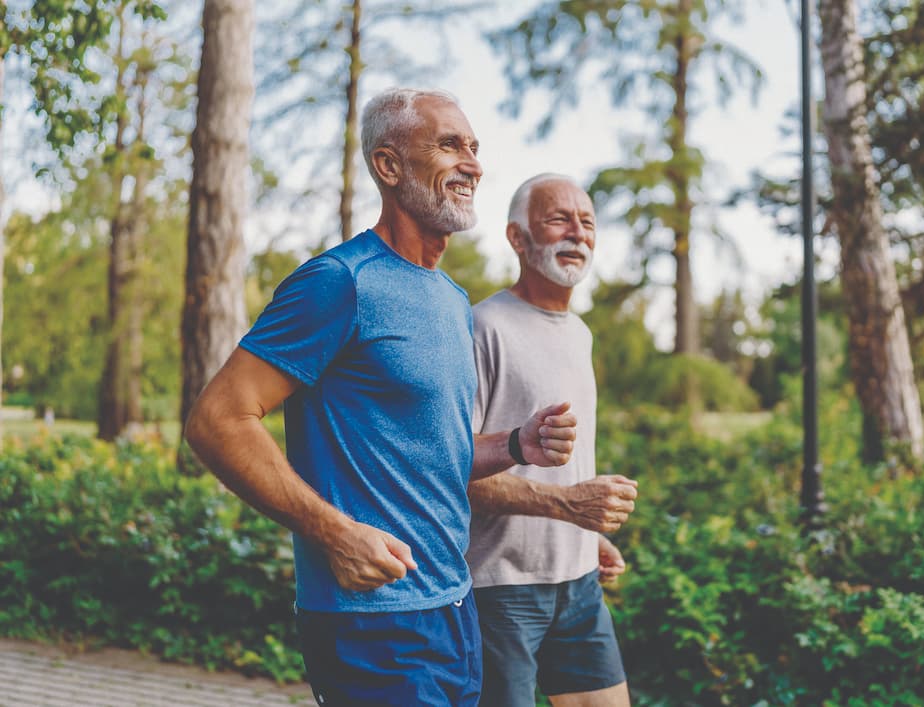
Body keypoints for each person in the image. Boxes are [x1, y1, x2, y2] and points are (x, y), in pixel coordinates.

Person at [184, 90, 578, 707]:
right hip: (371, 621)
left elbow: (426, 452)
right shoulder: (340, 282)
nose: (472, 164)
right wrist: (335, 533)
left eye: (474, 148)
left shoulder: (450, 298)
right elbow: (218, 419)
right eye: (449, 145)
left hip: (453, 606)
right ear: (388, 167)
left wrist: (515, 444)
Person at [468, 174, 638, 706]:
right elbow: (452, 466)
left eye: (587, 222)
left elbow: (566, 466)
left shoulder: (580, 332)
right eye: (558, 219)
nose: (577, 233)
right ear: (517, 238)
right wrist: (569, 508)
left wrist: (586, 534)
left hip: (580, 583)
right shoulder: (483, 326)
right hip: (499, 589)